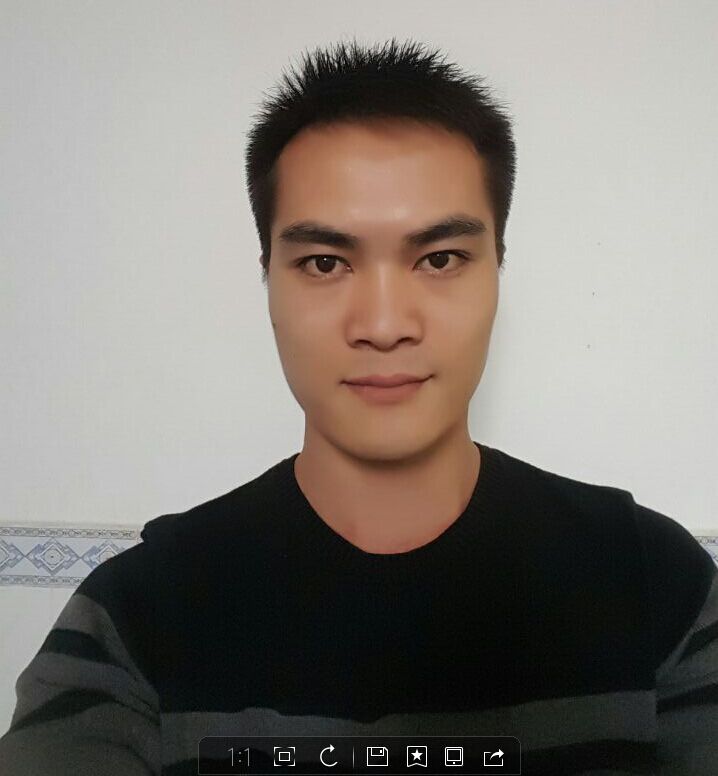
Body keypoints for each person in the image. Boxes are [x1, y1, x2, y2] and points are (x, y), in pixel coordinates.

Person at [1, 37, 716, 776]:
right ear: (268, 279)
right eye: (325, 262)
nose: (382, 324)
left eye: (439, 258)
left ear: (498, 269)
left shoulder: (658, 588)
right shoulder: (135, 622)